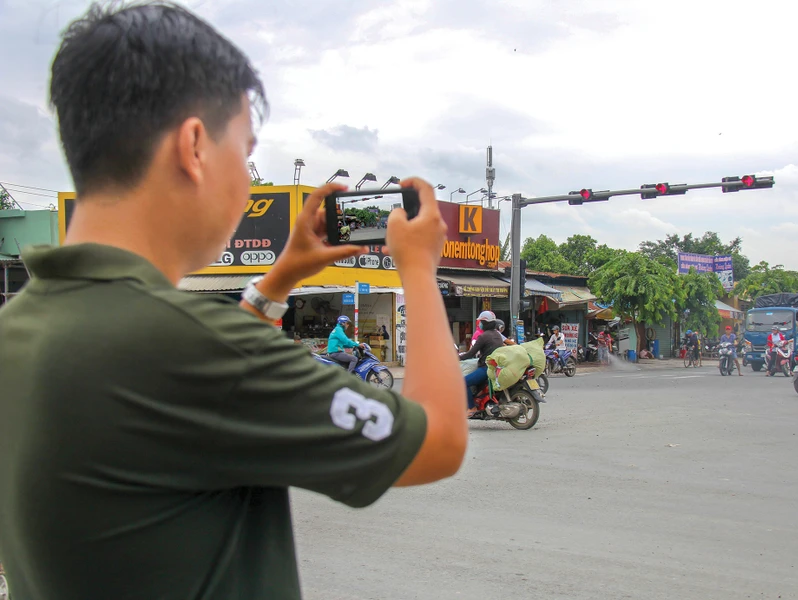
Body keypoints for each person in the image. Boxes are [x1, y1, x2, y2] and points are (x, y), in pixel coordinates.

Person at [0, 3, 468, 599]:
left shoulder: (22, 324)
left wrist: (278, 281)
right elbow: (439, 441)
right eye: (245, 153)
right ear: (194, 145)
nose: (247, 180)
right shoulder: (192, 348)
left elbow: (193, 398)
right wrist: (419, 271)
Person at [458, 312, 506, 417]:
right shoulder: (497, 334)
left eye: (481, 322)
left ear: (485, 323)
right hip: (496, 367)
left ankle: (471, 408)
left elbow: (471, 353)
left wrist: (457, 357)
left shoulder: (484, 336)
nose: (480, 324)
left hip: (486, 368)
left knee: (463, 382)